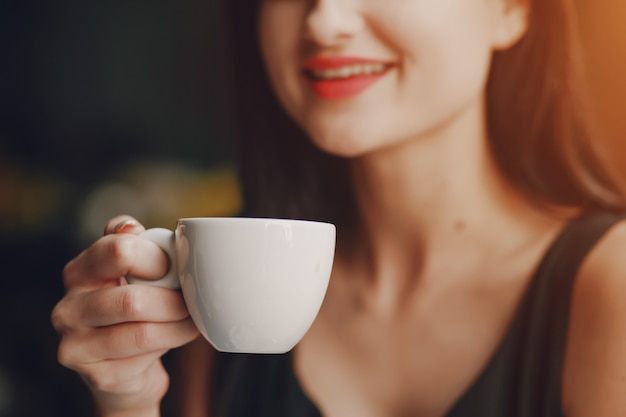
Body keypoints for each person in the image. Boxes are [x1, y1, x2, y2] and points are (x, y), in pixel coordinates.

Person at [51, 0, 626, 416]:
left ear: (513, 9)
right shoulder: (230, 298)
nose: (324, 20)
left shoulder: (610, 287)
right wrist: (127, 399)